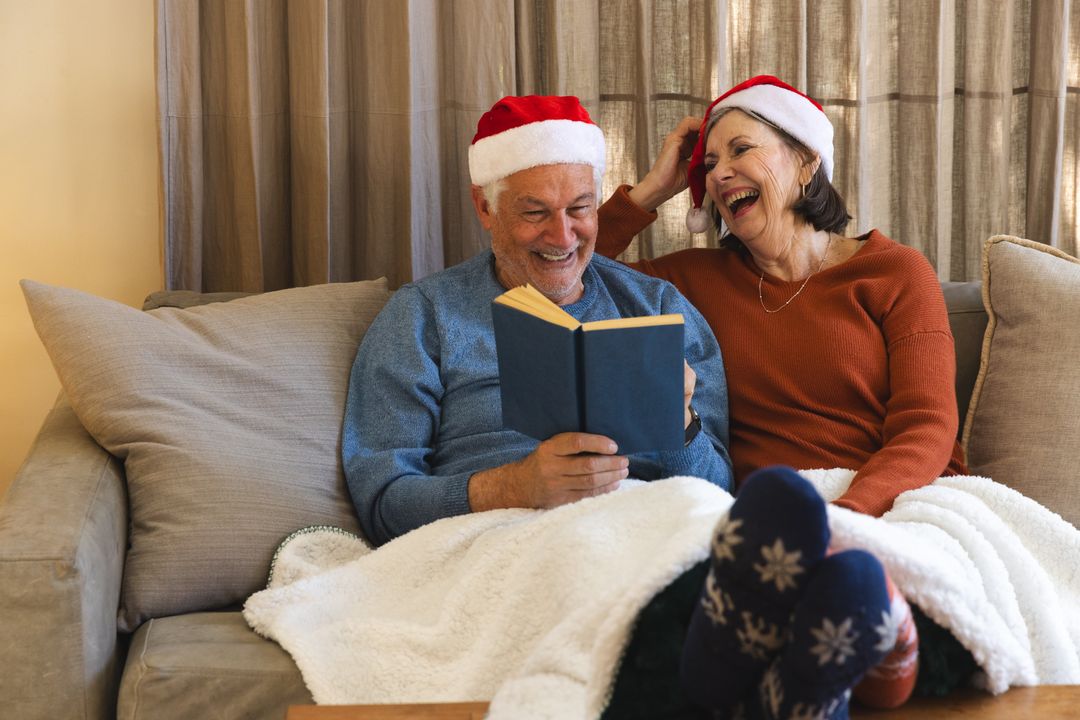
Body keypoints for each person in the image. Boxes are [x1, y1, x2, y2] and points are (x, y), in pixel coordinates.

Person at [592, 76, 973, 716]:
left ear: (805, 162)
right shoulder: (692, 282)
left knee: (857, 578)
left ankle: (860, 643)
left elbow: (927, 428)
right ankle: (856, 665)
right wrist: (649, 191)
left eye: (742, 150)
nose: (719, 174)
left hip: (891, 496)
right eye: (708, 164)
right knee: (736, 576)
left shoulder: (893, 272)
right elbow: (576, 271)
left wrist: (845, 519)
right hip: (767, 522)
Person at [341, 94, 733, 549]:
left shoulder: (659, 307)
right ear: (485, 208)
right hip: (498, 544)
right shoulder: (423, 315)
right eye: (535, 212)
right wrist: (515, 488)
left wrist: (678, 423)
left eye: (581, 208)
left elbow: (719, 495)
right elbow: (382, 502)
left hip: (643, 536)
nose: (563, 236)